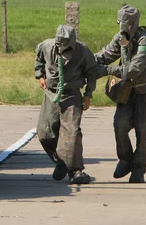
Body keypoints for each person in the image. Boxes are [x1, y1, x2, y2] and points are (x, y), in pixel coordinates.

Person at [94, 4, 146, 183]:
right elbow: (106, 54)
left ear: (133, 23)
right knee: (120, 124)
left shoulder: (145, 41)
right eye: (120, 22)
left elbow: (134, 70)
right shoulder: (122, 37)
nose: (122, 26)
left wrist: (106, 70)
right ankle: (125, 159)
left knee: (143, 129)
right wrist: (86, 61)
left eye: (126, 23)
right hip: (127, 90)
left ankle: (138, 169)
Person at [35, 24, 97, 185]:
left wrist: (88, 94)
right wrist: (40, 75)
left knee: (72, 134)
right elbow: (39, 60)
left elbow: (92, 72)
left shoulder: (82, 50)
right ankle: (60, 161)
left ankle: (76, 171)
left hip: (72, 95)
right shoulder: (46, 46)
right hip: (51, 94)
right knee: (44, 131)